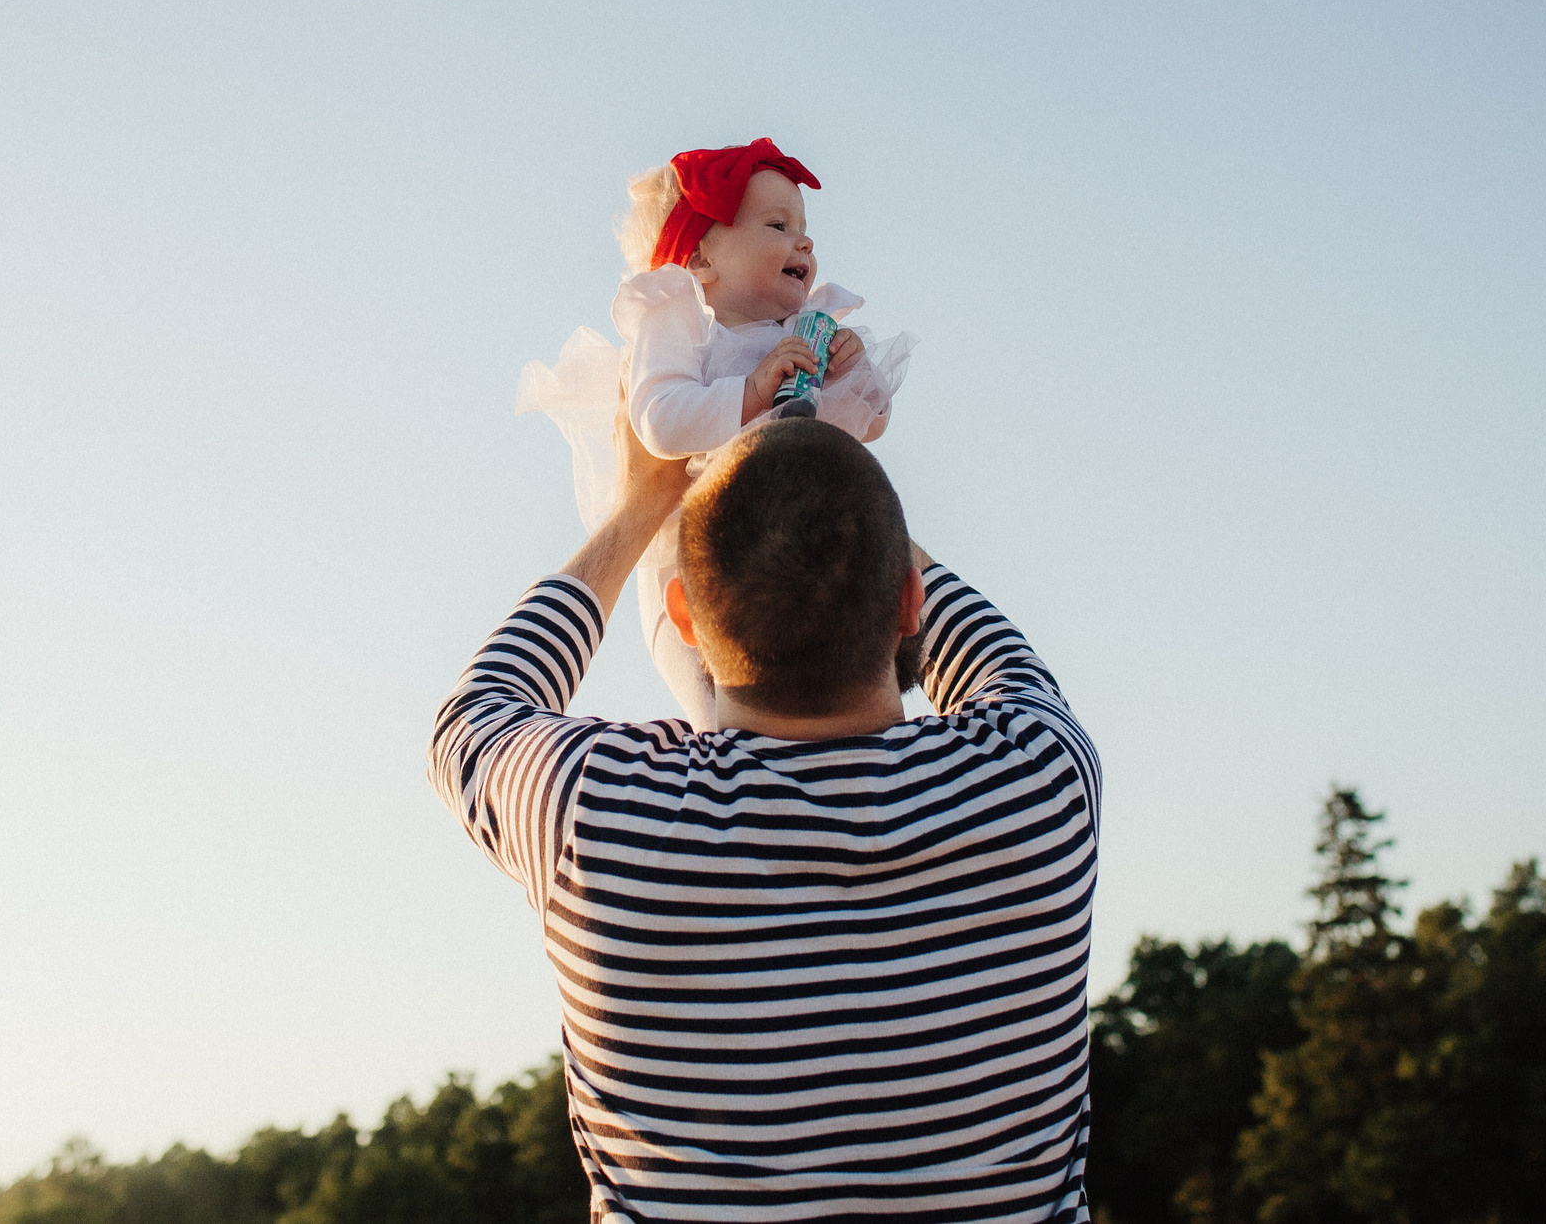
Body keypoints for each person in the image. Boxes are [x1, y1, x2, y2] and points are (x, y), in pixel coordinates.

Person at [429, 413, 1101, 1220]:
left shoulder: (599, 816)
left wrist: (639, 508)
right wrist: (846, 497)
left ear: (684, 617)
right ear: (910, 603)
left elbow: (476, 715)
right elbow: (998, 662)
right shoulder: (1038, 783)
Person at [516, 137, 912, 727]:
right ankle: (728, 762)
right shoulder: (679, 317)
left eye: (804, 230)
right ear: (700, 260)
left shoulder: (808, 328)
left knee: (835, 676)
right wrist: (749, 392)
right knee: (718, 701)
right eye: (777, 225)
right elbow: (660, 421)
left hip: (793, 550)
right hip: (688, 557)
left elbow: (869, 425)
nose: (803, 242)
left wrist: (852, 370)